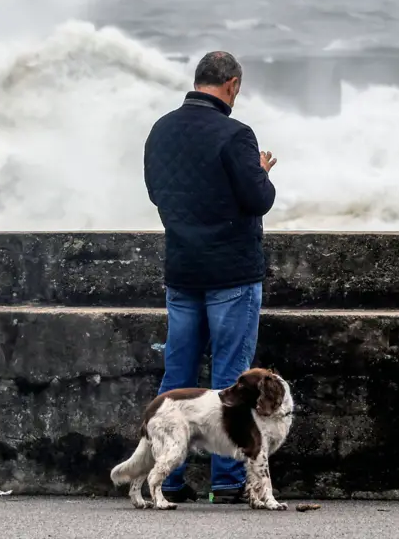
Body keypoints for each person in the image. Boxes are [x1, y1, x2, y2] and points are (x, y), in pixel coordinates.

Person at [142, 50, 278, 504]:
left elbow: (156, 193)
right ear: (232, 85)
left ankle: (170, 479)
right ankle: (226, 480)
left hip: (182, 270)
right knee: (232, 377)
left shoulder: (161, 129)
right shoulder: (236, 134)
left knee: (176, 375)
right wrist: (260, 171)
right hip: (231, 274)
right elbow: (258, 200)